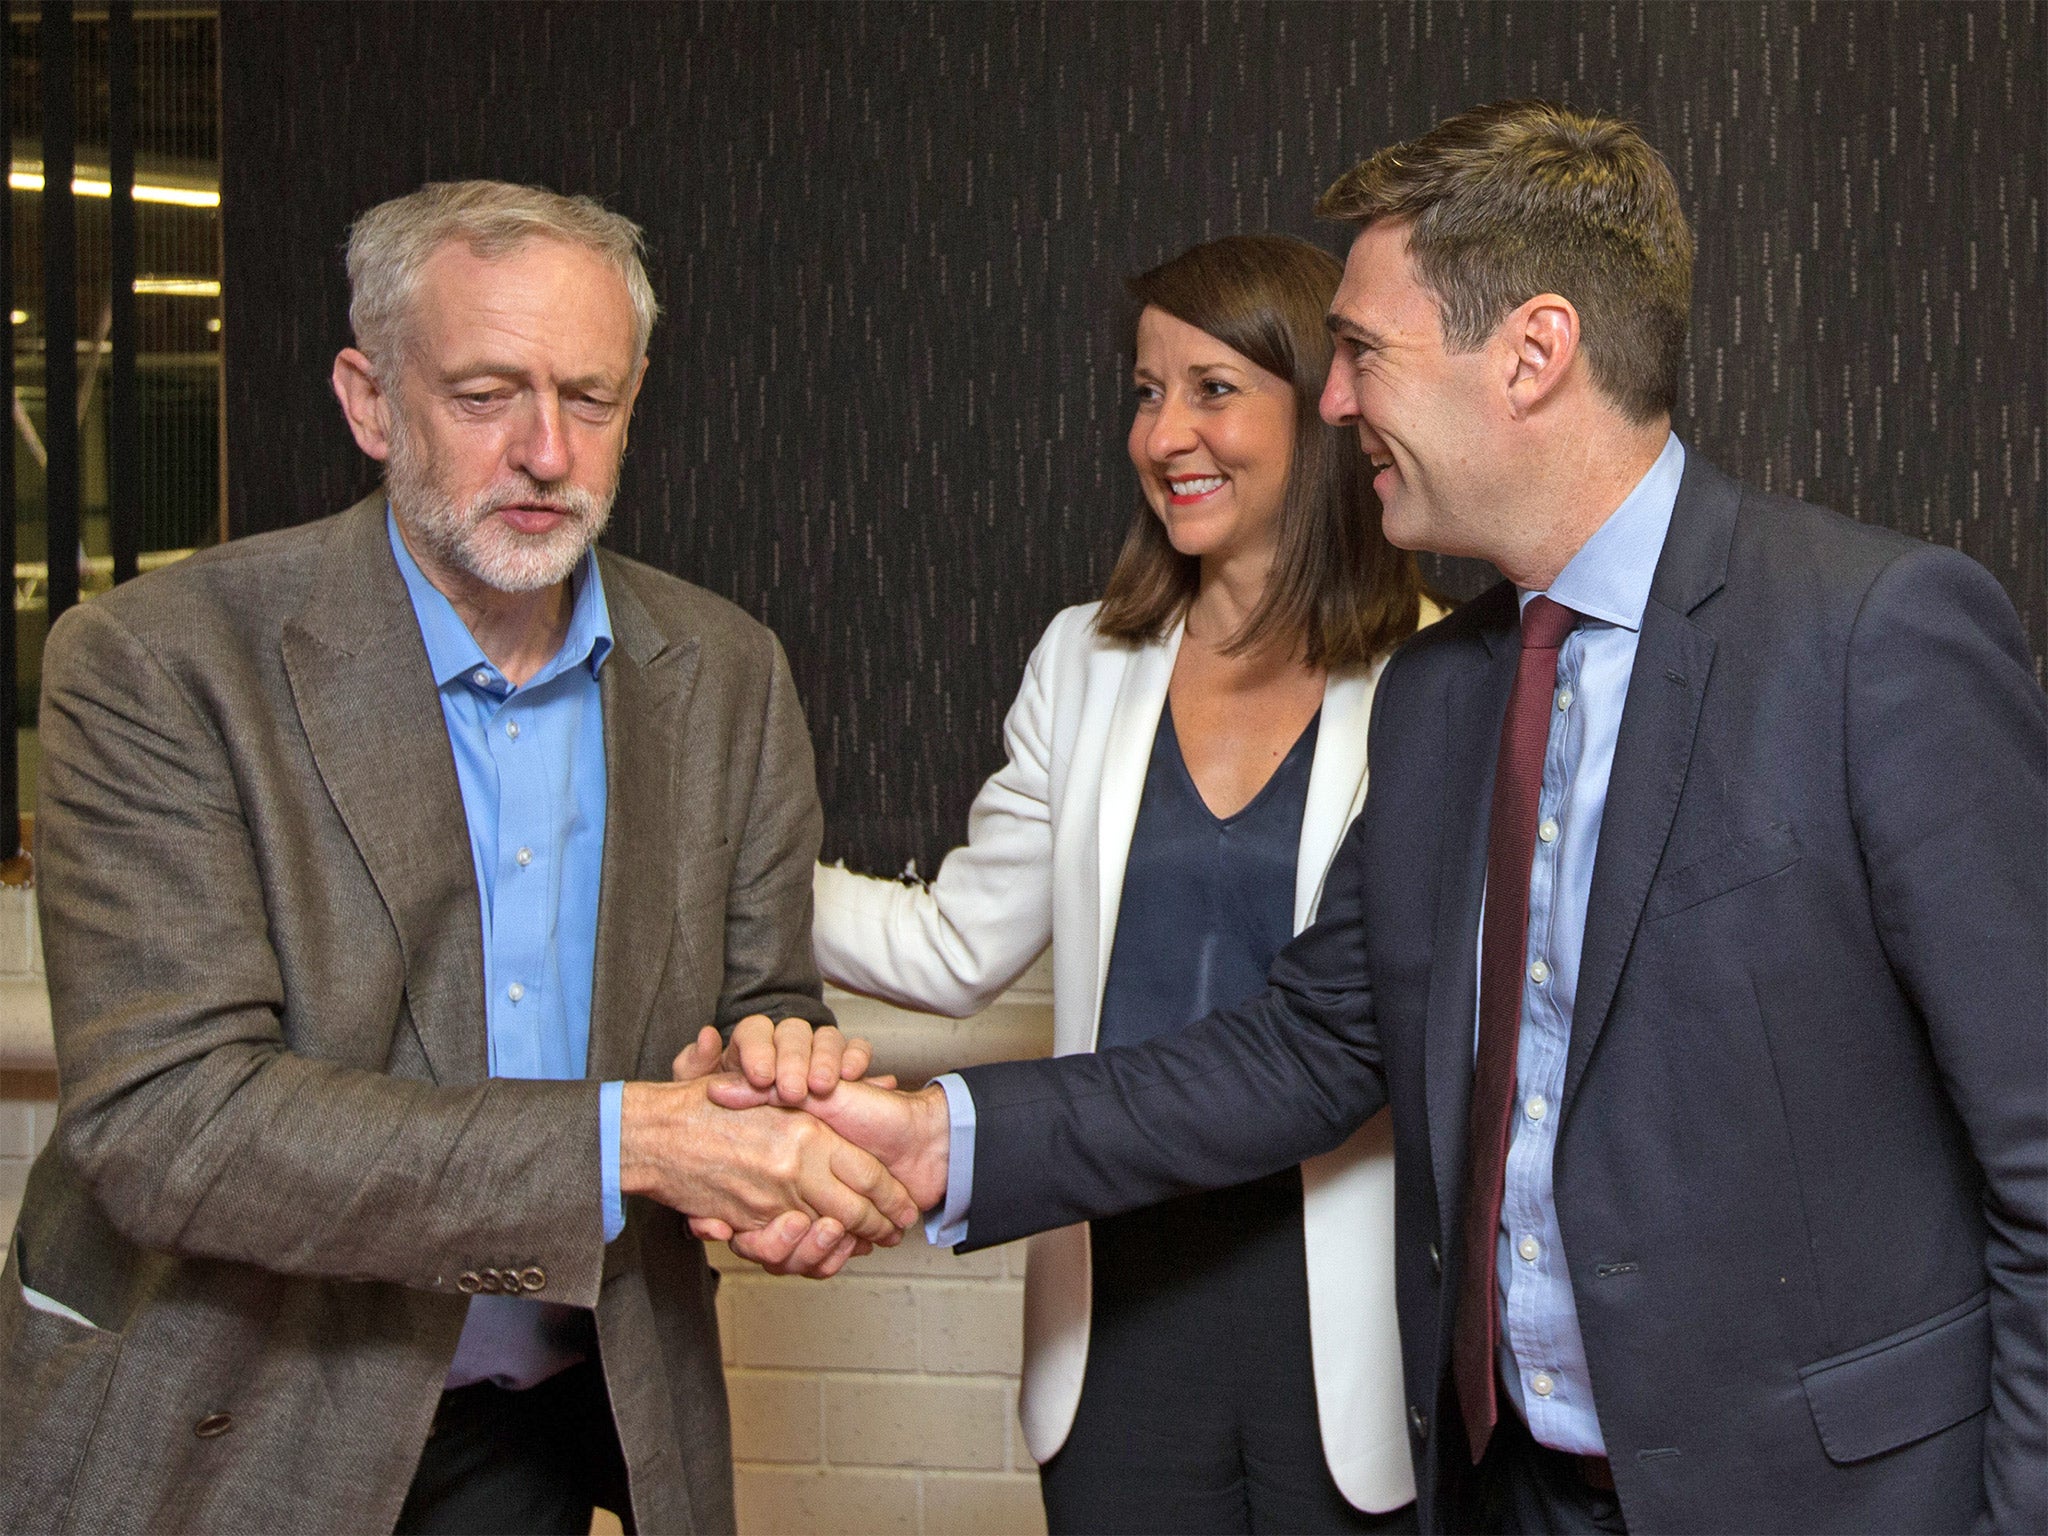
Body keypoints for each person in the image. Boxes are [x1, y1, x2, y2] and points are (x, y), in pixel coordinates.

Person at [716, 103, 2047, 1534]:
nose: (1334, 402)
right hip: (1505, 1495)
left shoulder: (1872, 639)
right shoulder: (1440, 697)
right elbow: (1308, 1045)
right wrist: (939, 1140)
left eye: (1362, 352)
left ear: (1533, 355)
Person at [0, 180, 912, 1536]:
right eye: (486, 395)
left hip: (547, 1417)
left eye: (590, 400)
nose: (547, 451)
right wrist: (640, 1145)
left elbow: (760, 991)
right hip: (241, 1419)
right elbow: (169, 1125)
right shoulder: (159, 665)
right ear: (370, 401)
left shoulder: (726, 671)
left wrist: (776, 1074)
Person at [811, 235, 1434, 1532]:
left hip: (1342, 1320)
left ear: (1323, 406)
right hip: (1114, 1309)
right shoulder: (1083, 662)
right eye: (1146, 393)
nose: (1165, 435)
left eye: (1212, 389)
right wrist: (729, 877)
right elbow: (950, 949)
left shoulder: (1434, 678)